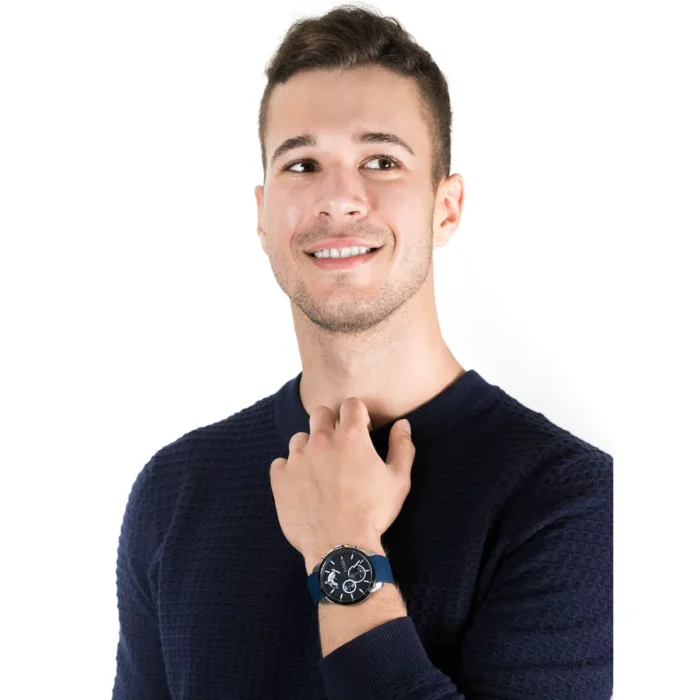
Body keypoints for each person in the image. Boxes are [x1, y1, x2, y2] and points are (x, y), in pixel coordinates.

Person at [112, 5, 613, 699]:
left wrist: (342, 552)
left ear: (446, 208)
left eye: (381, 161)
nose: (339, 199)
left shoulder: (569, 499)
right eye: (302, 164)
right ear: (263, 214)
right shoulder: (173, 490)